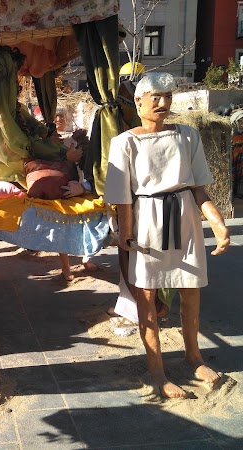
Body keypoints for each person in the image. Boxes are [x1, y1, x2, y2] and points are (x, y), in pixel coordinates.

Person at [105, 72, 230, 398]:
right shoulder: (125, 142)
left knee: (191, 290)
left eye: (168, 96)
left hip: (185, 219)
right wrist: (126, 234)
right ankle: (157, 370)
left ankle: (194, 356)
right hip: (148, 222)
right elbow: (122, 198)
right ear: (138, 101)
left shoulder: (188, 135)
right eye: (156, 97)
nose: (163, 103)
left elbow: (199, 189)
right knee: (146, 297)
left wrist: (217, 223)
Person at [53, 108, 97, 280]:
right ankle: (66, 267)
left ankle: (87, 257)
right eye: (56, 117)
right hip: (62, 189)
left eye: (61, 117)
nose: (59, 120)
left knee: (86, 223)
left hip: (80, 186)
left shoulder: (75, 138)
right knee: (62, 227)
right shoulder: (49, 142)